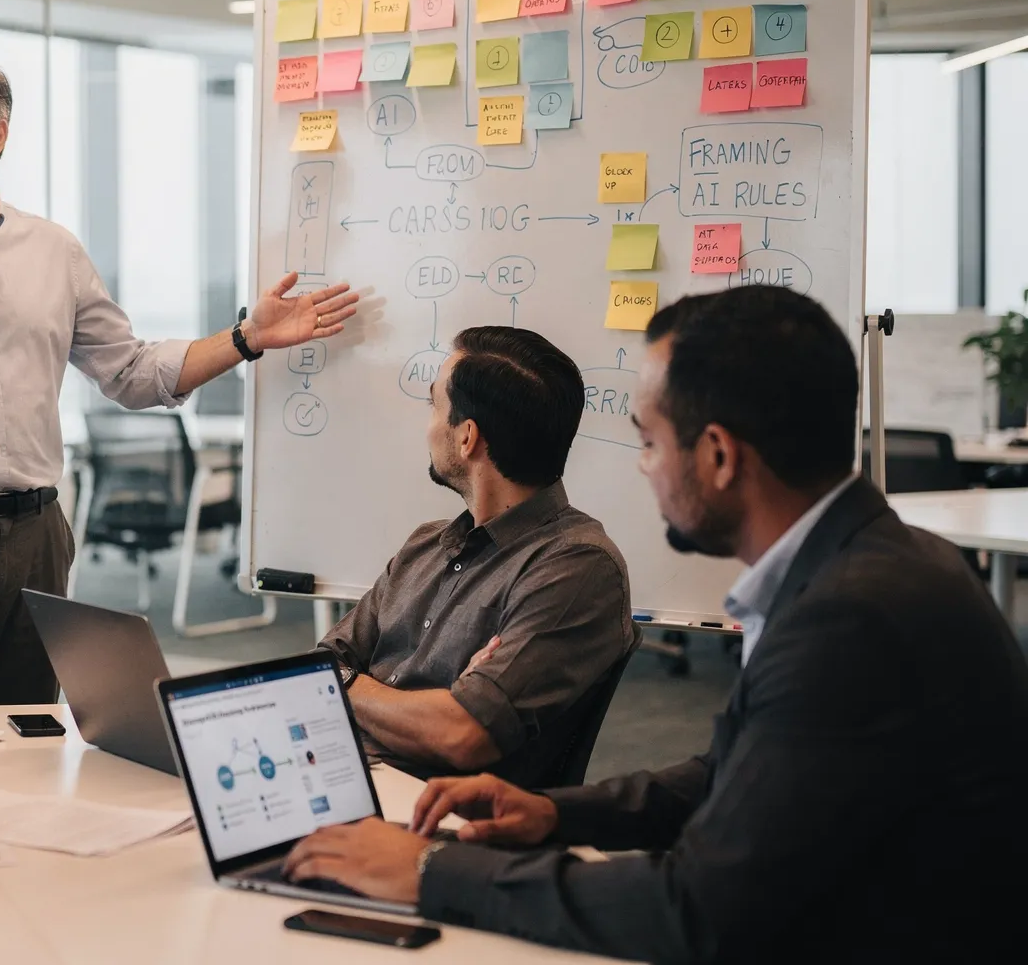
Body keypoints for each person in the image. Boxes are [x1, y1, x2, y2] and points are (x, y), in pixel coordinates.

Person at [282, 286, 1028, 961]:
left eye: (648, 441)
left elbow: (695, 910)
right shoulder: (865, 564)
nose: (642, 468)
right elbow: (734, 774)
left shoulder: (850, 618)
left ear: (718, 456)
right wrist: (553, 811)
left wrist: (432, 870)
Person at [0, 46, 358, 702]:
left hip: (34, 537)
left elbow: (132, 372)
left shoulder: (53, 251)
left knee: (26, 742)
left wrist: (245, 338)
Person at [321, 326, 632, 787]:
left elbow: (462, 734)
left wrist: (344, 685)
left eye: (434, 406)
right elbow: (315, 666)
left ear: (467, 437)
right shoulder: (424, 546)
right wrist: (430, 705)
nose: (428, 425)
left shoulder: (576, 567)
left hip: (440, 820)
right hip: (343, 777)